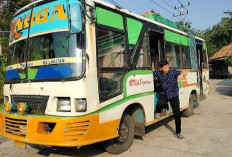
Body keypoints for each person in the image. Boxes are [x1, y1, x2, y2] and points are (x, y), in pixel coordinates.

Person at [153, 60, 186, 139]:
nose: (167, 69)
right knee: (160, 103)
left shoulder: (173, 72)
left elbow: (184, 72)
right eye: (165, 67)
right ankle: (157, 112)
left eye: (168, 67)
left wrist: (181, 75)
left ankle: (178, 132)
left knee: (177, 114)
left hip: (174, 94)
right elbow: (150, 75)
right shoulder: (158, 73)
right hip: (164, 93)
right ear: (161, 68)